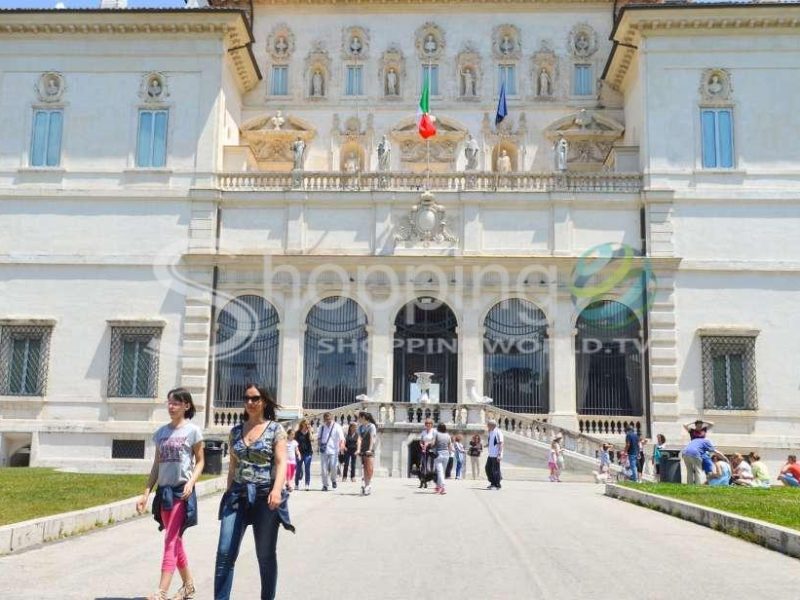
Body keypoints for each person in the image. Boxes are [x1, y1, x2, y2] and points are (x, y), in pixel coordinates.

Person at [214, 384, 294, 600]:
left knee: (265, 555)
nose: (250, 402)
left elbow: (281, 462)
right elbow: (232, 466)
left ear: (264, 401)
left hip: (264, 496)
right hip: (238, 495)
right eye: (246, 398)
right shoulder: (235, 431)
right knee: (224, 553)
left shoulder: (275, 429)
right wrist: (228, 492)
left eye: (255, 398)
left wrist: (277, 490)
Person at [137, 388, 204, 600]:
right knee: (176, 541)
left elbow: (200, 461)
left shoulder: (192, 431)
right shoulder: (161, 433)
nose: (171, 406)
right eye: (169, 402)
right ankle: (188, 586)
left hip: (180, 493)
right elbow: (157, 465)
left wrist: (191, 482)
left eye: (176, 403)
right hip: (163, 494)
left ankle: (162, 591)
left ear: (186, 406)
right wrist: (146, 493)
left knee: (171, 540)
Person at [317, 412, 345, 491]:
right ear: (324, 419)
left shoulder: (337, 426)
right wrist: (319, 443)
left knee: (333, 466)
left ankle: (333, 480)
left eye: (329, 419)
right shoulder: (322, 427)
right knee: (324, 469)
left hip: (334, 450)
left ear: (332, 418)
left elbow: (342, 437)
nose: (327, 421)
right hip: (324, 450)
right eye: (326, 419)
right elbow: (319, 437)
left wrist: (342, 444)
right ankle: (325, 485)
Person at [356, 411, 377, 495]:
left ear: (363, 417)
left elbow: (372, 437)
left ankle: (369, 482)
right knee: (364, 467)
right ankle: (366, 485)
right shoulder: (360, 427)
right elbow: (359, 439)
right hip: (363, 449)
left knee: (370, 467)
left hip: (370, 449)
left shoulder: (371, 426)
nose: (358, 419)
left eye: (359, 417)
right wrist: (358, 449)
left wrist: (370, 449)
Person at [432, 423, 453, 495]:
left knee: (440, 471)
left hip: (439, 453)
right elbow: (450, 445)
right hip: (446, 454)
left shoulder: (436, 434)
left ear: (438, 428)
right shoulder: (448, 435)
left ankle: (443, 486)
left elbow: (433, 443)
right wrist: (450, 453)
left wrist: (430, 446)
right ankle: (438, 486)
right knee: (442, 471)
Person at [293, 419, 313, 491]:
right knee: (298, 469)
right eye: (306, 424)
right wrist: (297, 452)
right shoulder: (297, 433)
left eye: (308, 424)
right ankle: (296, 484)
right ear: (302, 424)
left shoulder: (309, 432)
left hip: (308, 453)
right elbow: (295, 443)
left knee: (307, 469)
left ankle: (307, 484)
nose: (307, 425)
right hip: (300, 453)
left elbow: (312, 439)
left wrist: (310, 431)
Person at [418, 418, 437, 489]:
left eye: (429, 423)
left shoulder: (434, 431)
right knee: (423, 464)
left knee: (431, 465)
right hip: (424, 449)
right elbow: (421, 441)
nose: (428, 425)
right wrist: (421, 445)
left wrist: (428, 444)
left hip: (431, 449)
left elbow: (434, 441)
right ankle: (424, 480)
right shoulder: (423, 432)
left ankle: (431, 479)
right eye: (427, 424)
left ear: (432, 425)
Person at [485, 419, 504, 490]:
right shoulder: (491, 432)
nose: (487, 426)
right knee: (487, 468)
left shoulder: (498, 432)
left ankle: (497, 484)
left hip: (496, 454)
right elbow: (491, 442)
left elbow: (501, 443)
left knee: (495, 470)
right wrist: (485, 445)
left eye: (488, 425)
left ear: (491, 425)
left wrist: (499, 454)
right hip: (491, 454)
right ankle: (492, 482)